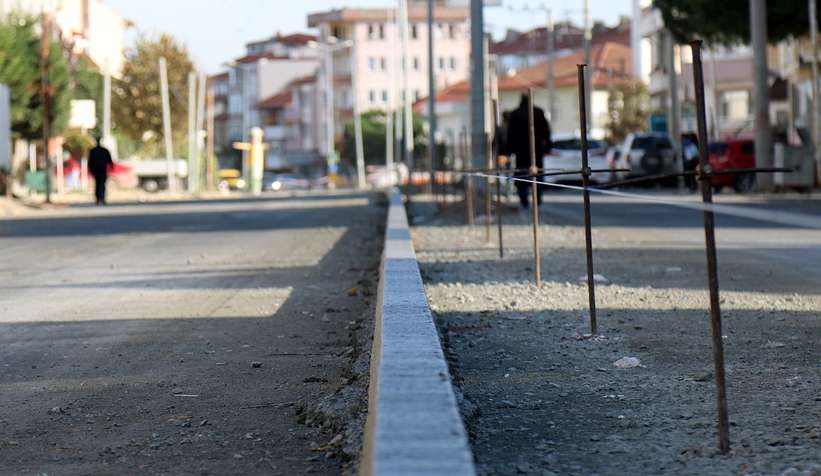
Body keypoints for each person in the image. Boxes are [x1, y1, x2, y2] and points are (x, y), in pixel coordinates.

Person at [505, 93, 552, 209]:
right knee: (537, 173)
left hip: (521, 151)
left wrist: (509, 149)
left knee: (522, 175)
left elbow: (510, 134)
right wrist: (548, 146)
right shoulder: (539, 112)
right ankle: (538, 197)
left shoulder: (515, 114)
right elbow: (546, 132)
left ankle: (524, 200)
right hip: (537, 149)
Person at [87, 136, 113, 205]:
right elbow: (110, 161)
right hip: (101, 169)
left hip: (97, 169)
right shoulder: (104, 151)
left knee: (98, 183)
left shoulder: (93, 151)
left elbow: (90, 162)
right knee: (102, 184)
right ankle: (101, 198)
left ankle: (98, 198)